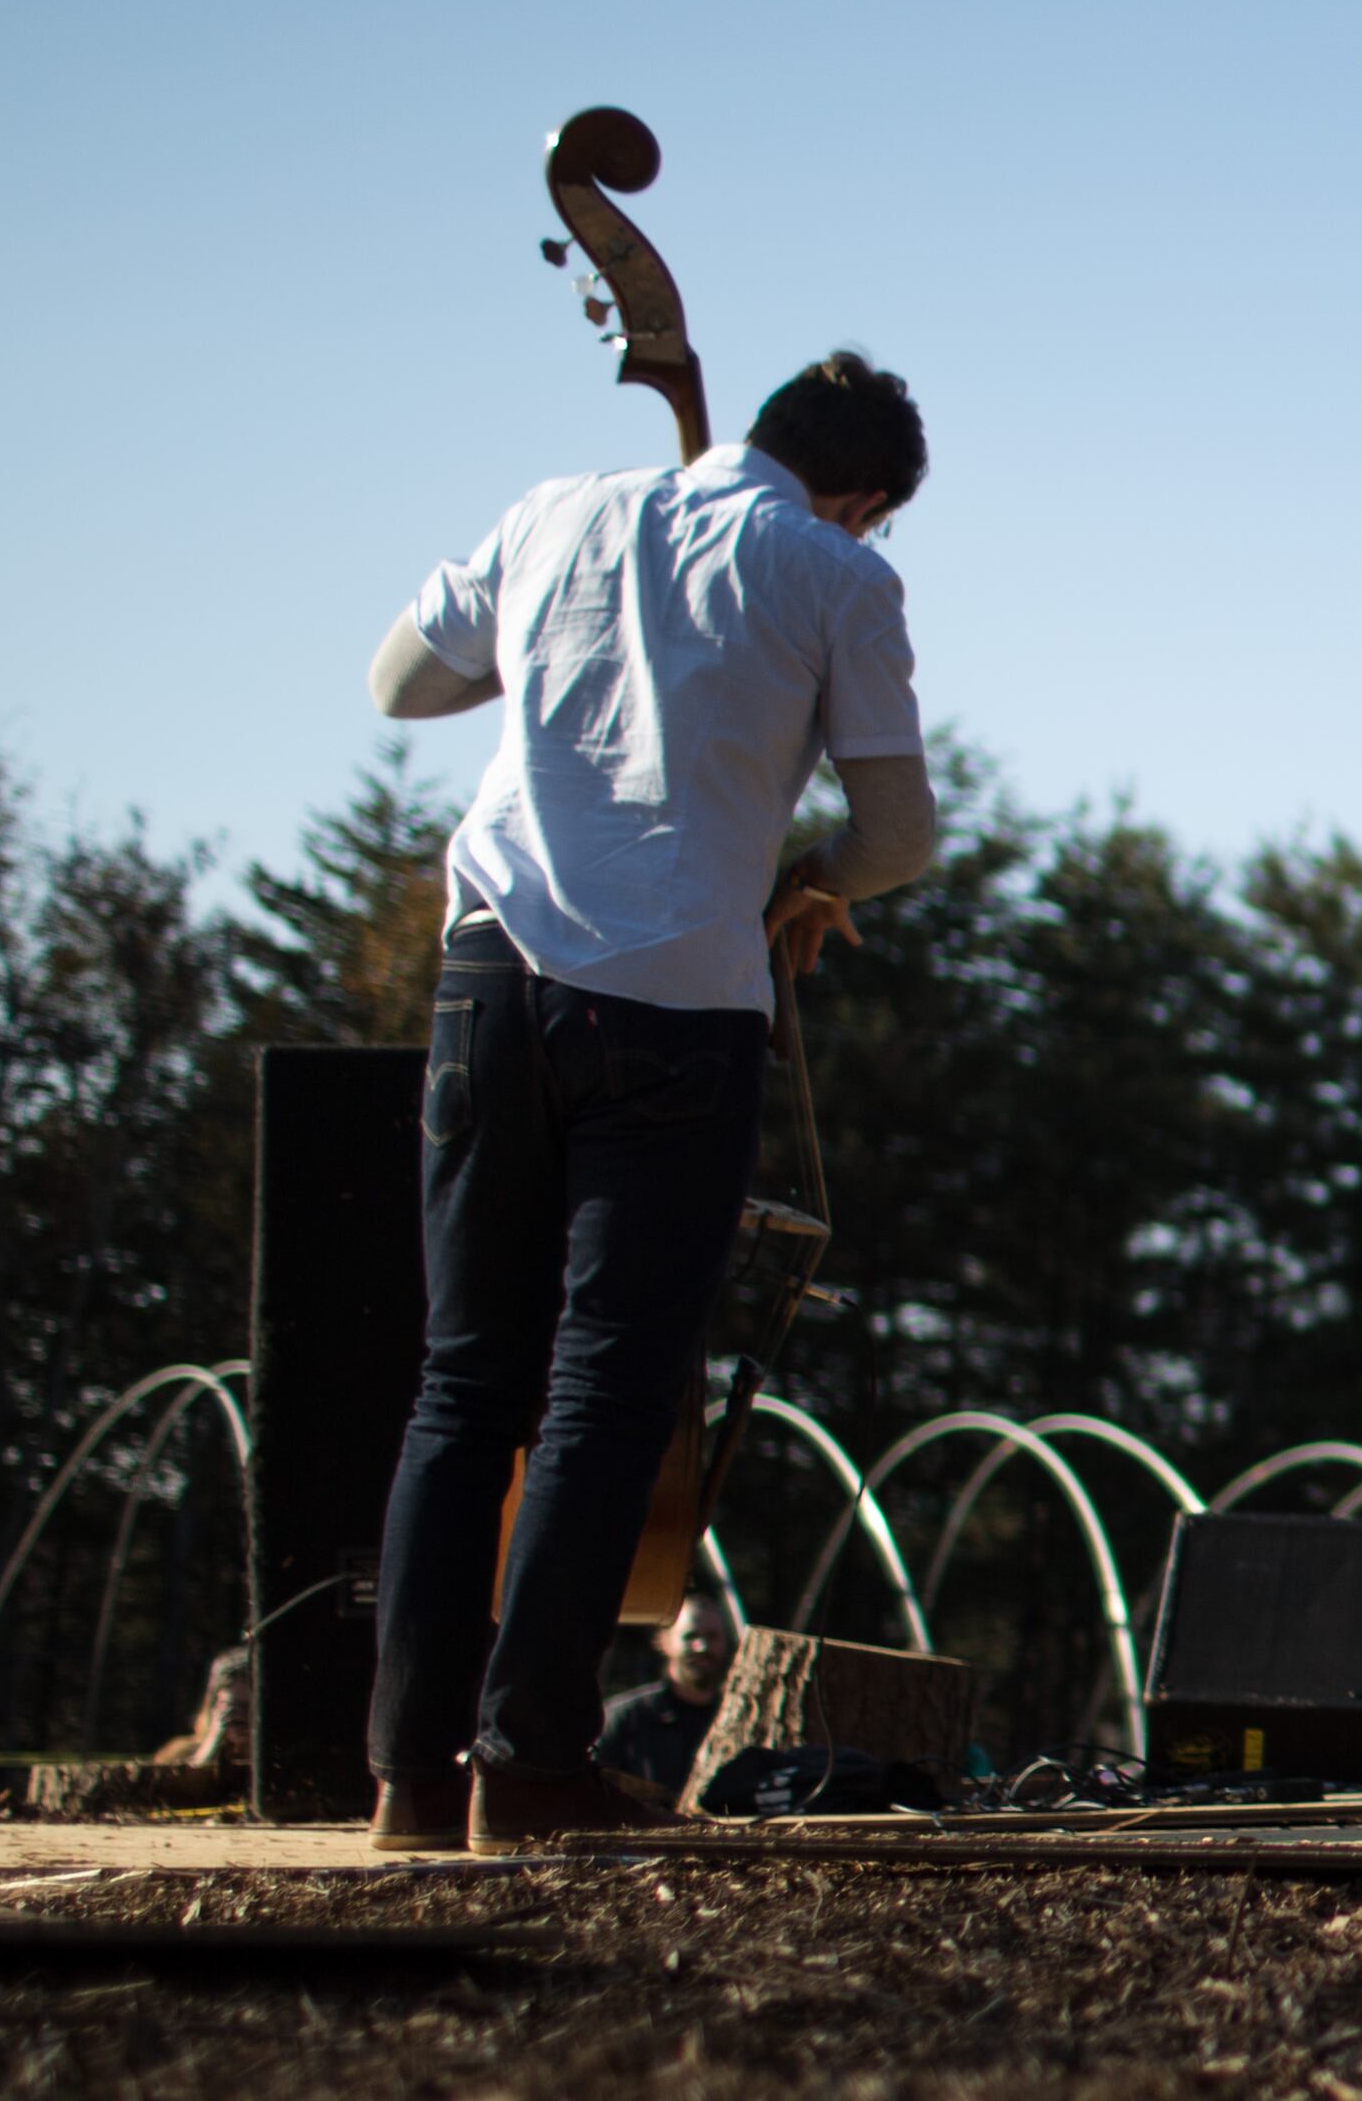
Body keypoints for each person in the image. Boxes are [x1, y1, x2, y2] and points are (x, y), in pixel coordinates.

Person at [362, 353, 940, 1856]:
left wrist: (559, 659)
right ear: (864, 500)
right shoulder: (833, 575)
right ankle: (527, 1765)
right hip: (676, 1000)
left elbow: (398, 684)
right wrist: (808, 880)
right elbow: (896, 834)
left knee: (457, 1386)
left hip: (487, 977)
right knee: (603, 1394)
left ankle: (406, 1782)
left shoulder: (561, 507)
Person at [594, 1594, 740, 1807]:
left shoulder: (738, 1717)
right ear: (664, 1642)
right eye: (690, 1636)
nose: (702, 1647)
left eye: (712, 1636)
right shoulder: (625, 1717)